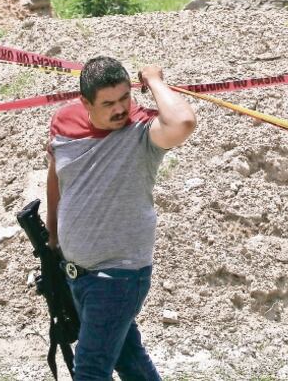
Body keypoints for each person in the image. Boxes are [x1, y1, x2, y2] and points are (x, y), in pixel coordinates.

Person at [46, 57, 196, 381]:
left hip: (119, 277)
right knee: (130, 362)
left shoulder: (141, 132)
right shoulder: (64, 123)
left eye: (125, 98)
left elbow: (183, 122)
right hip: (78, 274)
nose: (120, 109)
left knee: (89, 371)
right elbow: (56, 176)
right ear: (85, 102)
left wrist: (154, 80)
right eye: (108, 103)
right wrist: (52, 235)